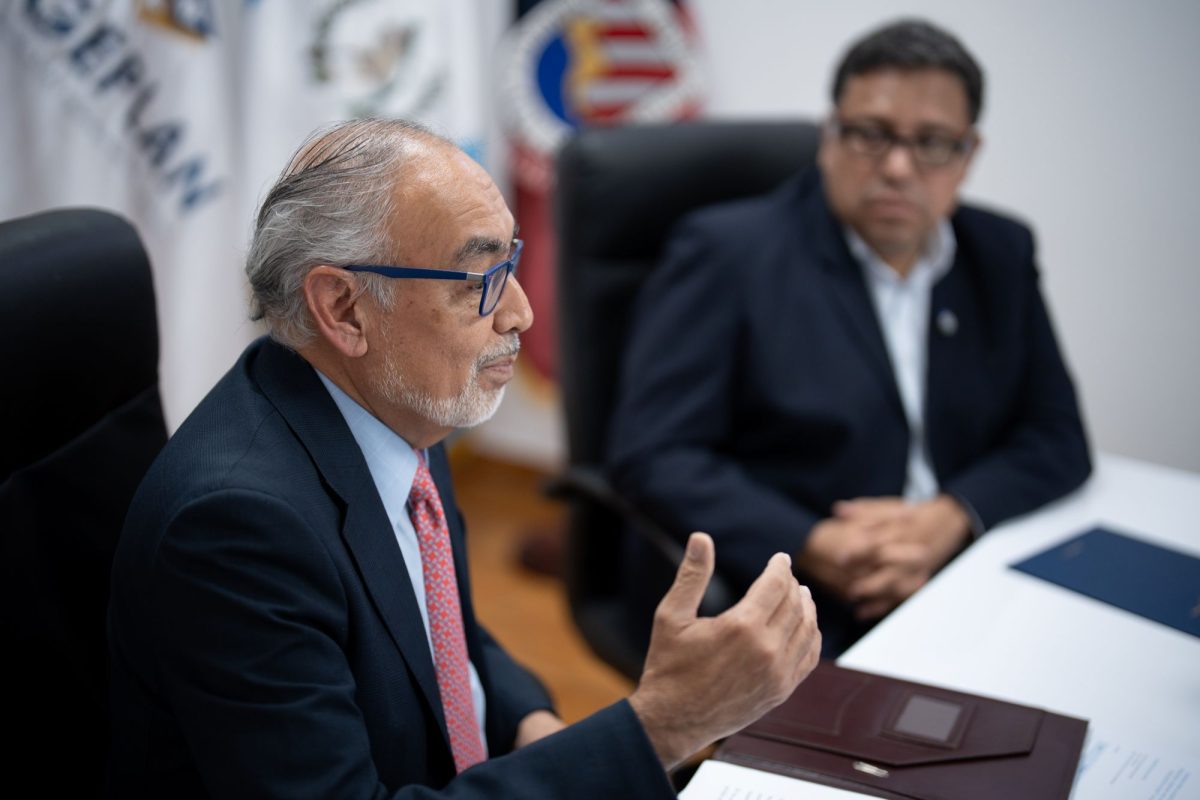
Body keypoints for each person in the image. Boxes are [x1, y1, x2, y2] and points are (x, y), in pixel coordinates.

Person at [107, 119, 821, 798]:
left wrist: (527, 721)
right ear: (344, 308)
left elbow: (433, 624)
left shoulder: (395, 405)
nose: (521, 312)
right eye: (479, 280)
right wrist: (663, 726)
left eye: (512, 262)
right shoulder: (237, 531)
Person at [607, 19, 1091, 656]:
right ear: (830, 136)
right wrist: (812, 543)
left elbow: (1056, 434)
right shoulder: (728, 254)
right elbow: (653, 453)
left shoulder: (999, 252)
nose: (897, 167)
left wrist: (952, 515)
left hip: (962, 571)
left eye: (932, 142)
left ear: (968, 155)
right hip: (799, 598)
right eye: (871, 134)